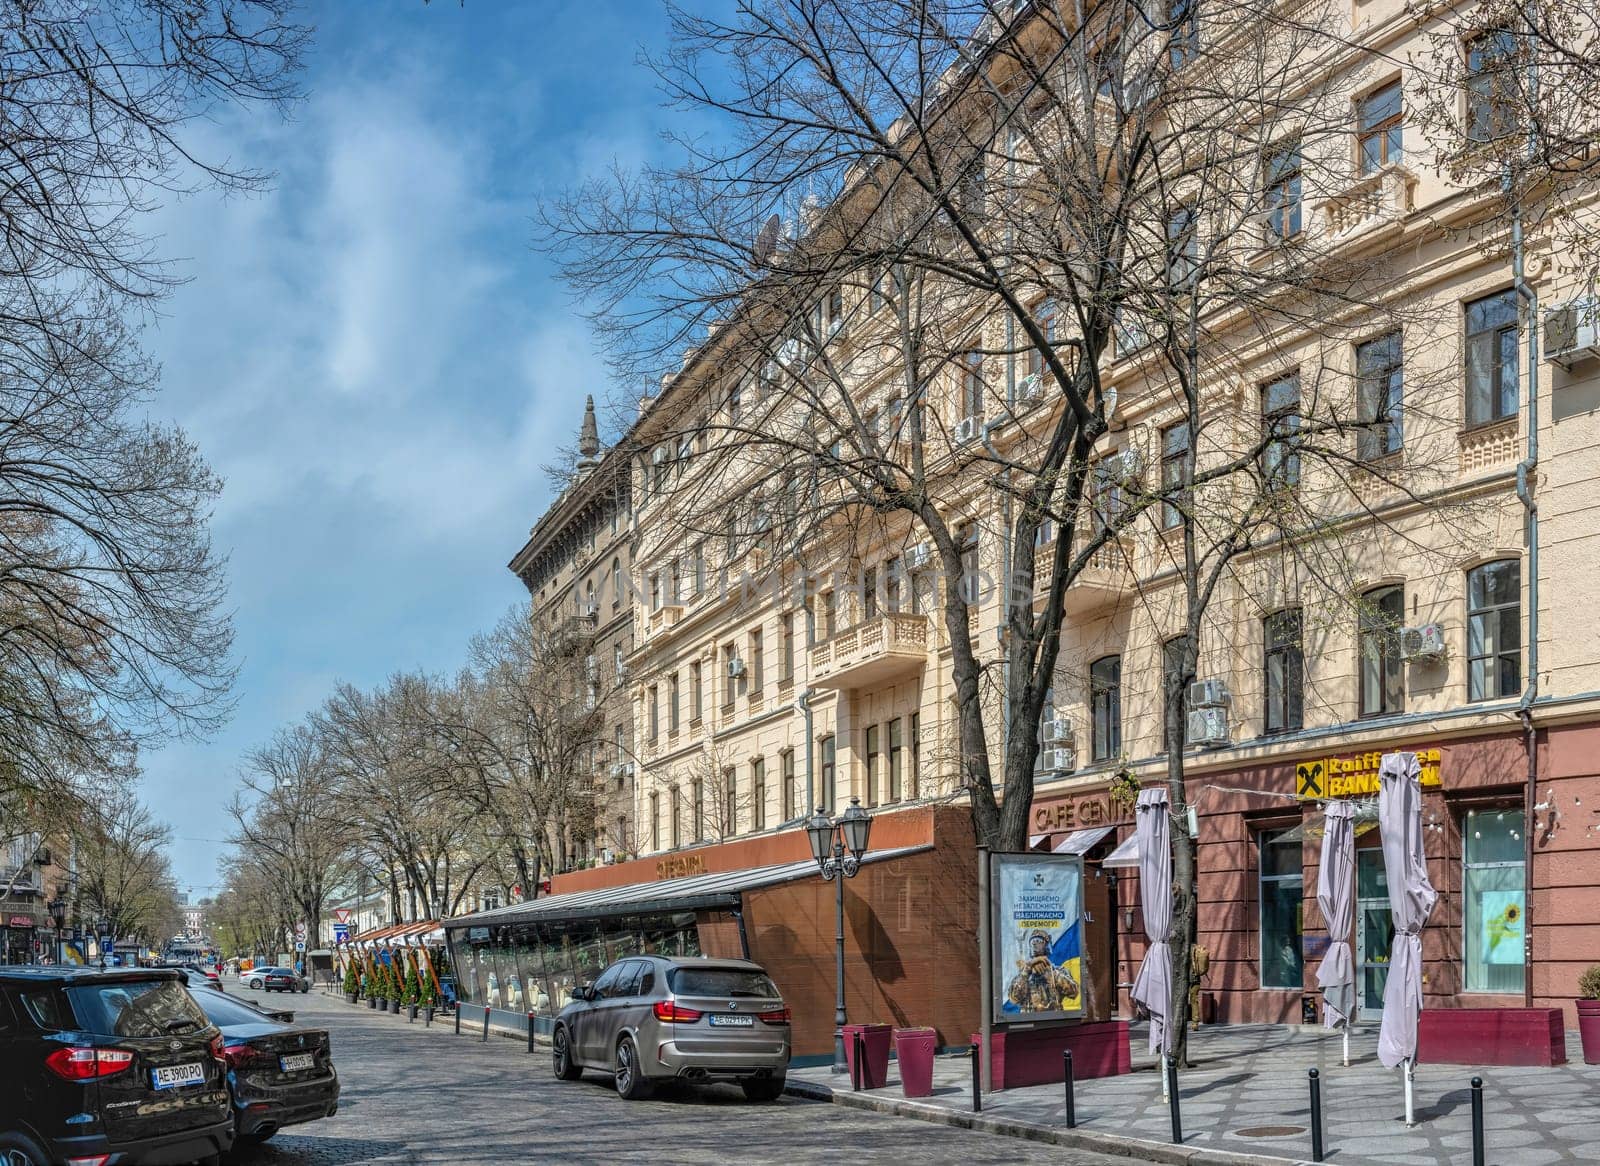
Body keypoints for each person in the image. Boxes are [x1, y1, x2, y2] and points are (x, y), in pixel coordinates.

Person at [1005, 930, 1080, 1013]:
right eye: (1032, 941)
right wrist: (1027, 969)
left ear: (1047, 946)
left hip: (1053, 1019)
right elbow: (1014, 999)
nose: (1034, 944)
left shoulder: (1058, 971)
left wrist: (1049, 972)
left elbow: (1074, 992)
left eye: (1038, 941)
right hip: (1029, 1019)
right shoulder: (1024, 974)